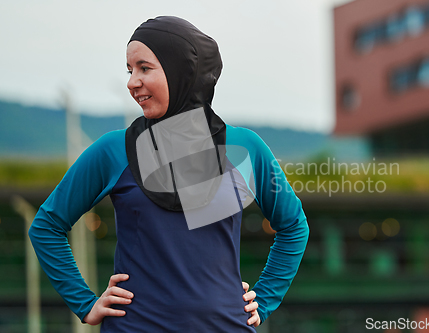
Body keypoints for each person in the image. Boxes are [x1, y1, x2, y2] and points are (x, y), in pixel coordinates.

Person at [29, 16, 309, 332]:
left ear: (182, 71)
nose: (132, 81)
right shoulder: (113, 150)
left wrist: (266, 297)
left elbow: (294, 226)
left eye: (144, 68)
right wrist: (84, 302)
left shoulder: (246, 148)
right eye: (129, 70)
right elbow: (47, 226)